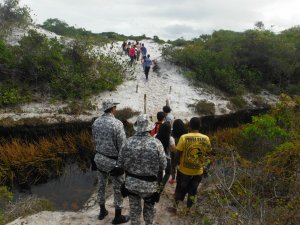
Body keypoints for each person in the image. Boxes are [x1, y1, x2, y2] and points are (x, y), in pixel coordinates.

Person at [117, 114, 167, 225]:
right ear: (150, 128)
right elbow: (163, 166)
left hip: (131, 185)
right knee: (149, 216)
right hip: (150, 187)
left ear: (137, 127)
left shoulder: (127, 142)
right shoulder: (157, 144)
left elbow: (120, 164)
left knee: (134, 215)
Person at [92, 99, 130, 224]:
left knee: (101, 185)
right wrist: (122, 164)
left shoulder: (96, 122)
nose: (116, 108)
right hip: (114, 162)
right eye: (115, 106)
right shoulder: (117, 124)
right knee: (118, 188)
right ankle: (117, 217)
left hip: (99, 158)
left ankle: (102, 211)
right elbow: (123, 147)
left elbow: (95, 141)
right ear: (113, 108)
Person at [174, 117, 212, 212]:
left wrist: (174, 166)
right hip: (198, 171)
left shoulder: (184, 137)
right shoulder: (206, 138)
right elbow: (209, 155)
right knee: (193, 191)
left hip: (184, 171)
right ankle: (187, 210)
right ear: (200, 126)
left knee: (179, 189)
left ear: (189, 125)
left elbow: (177, 155)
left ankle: (175, 208)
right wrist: (206, 168)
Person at [155, 122, 176, 193]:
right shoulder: (170, 138)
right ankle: (161, 187)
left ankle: (158, 186)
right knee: (167, 173)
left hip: (157, 157)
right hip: (167, 158)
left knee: (159, 172)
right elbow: (173, 149)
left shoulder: (155, 136)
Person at [169, 119, 188, 184]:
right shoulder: (186, 133)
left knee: (173, 165)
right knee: (181, 164)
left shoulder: (172, 133)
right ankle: (181, 178)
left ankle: (173, 178)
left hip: (174, 151)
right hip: (183, 151)